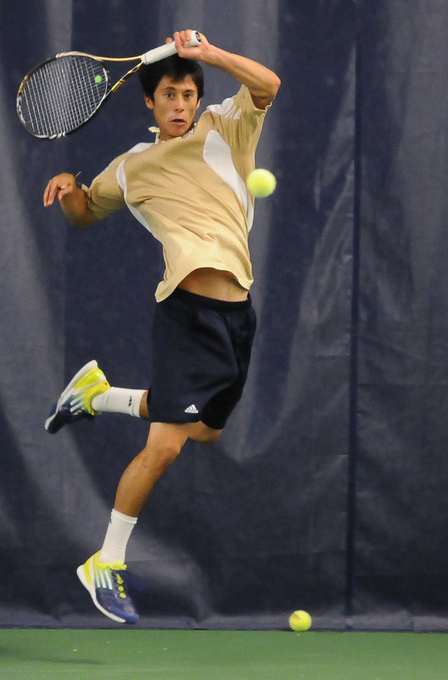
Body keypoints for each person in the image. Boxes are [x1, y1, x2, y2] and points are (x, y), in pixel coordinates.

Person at [41, 29, 280, 624]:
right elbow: (84, 215)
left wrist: (209, 55)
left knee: (206, 432)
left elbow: (268, 84)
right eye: (170, 93)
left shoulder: (228, 126)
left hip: (236, 313)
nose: (180, 103)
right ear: (149, 102)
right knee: (168, 444)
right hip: (186, 310)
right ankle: (107, 560)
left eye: (188, 93)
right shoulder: (131, 167)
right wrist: (70, 188)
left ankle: (98, 395)